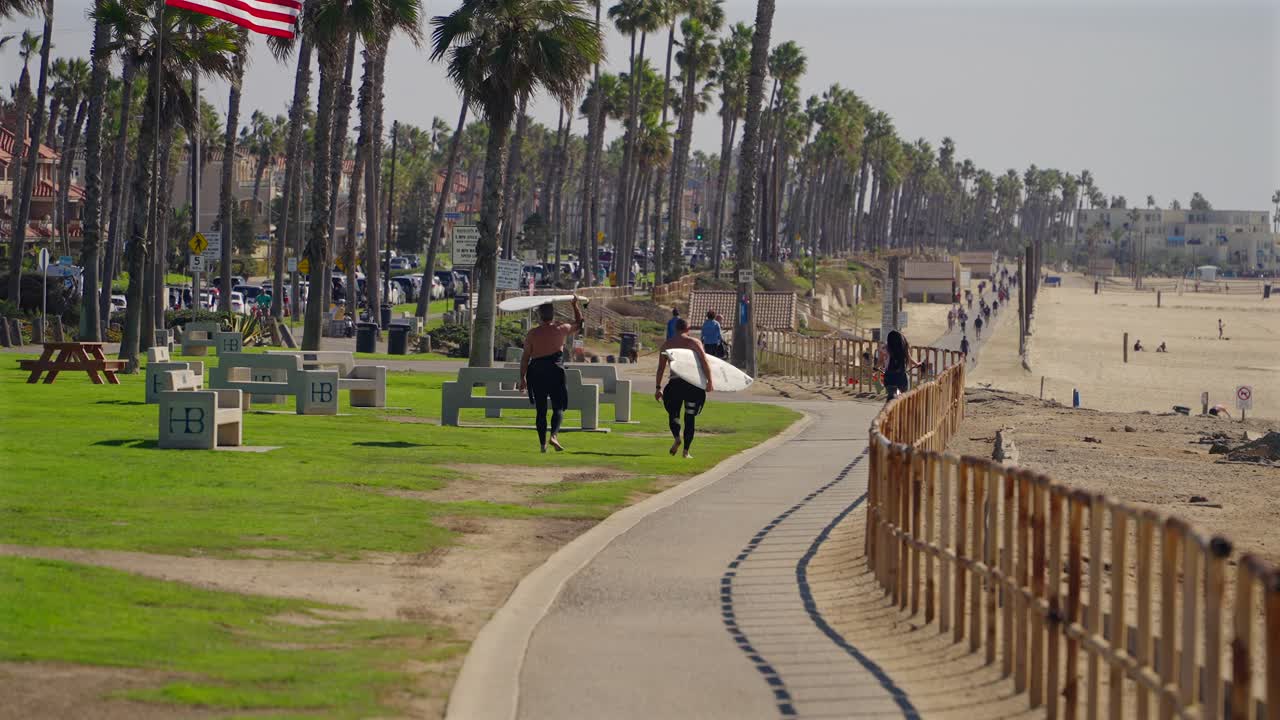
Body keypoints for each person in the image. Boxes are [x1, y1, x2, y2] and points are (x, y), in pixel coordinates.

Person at [518, 297, 585, 453]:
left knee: (541, 410)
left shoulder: (532, 334)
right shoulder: (560, 329)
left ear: (539, 316)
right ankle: (554, 435)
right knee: (558, 407)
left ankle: (542, 445)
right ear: (552, 315)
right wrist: (575, 306)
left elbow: (525, 358)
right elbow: (580, 324)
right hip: (555, 371)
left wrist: (522, 378)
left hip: (536, 372)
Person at [655, 319, 714, 458]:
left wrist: (658, 387)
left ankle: (676, 437)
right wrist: (710, 381)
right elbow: (705, 362)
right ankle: (686, 451)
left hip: (675, 383)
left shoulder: (667, 345)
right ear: (688, 329)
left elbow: (661, 369)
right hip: (692, 385)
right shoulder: (694, 343)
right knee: (690, 417)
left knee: (673, 413)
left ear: (675, 329)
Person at [879, 330, 919, 402]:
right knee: (904, 397)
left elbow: (880, 361)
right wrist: (917, 364)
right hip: (901, 377)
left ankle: (889, 407)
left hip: (889, 376)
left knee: (891, 394)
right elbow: (910, 360)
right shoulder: (904, 348)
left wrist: (875, 367)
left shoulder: (885, 348)